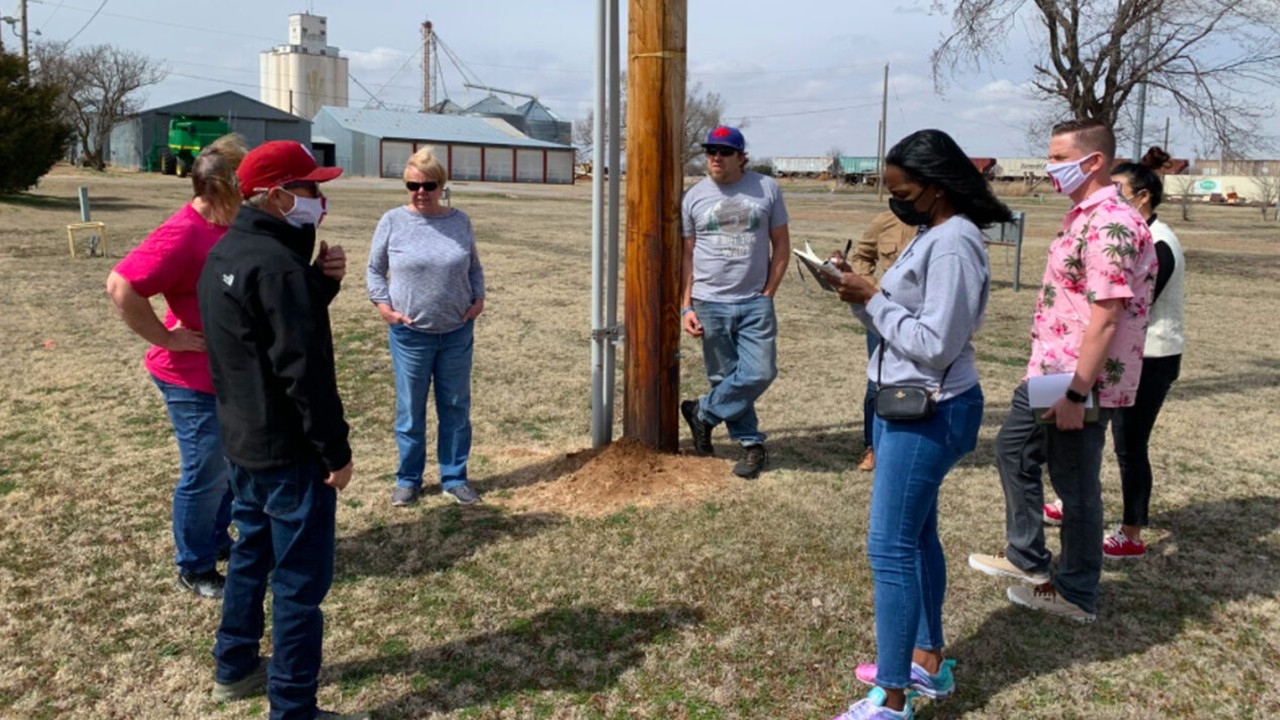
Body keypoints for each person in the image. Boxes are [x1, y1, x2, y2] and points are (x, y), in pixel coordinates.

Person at [825, 129, 1008, 720]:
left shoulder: (953, 243)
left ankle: (893, 697)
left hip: (930, 408)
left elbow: (934, 342)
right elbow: (902, 318)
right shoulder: (933, 233)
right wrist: (853, 290)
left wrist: (872, 297)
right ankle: (926, 662)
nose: (894, 200)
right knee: (917, 535)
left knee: (890, 547)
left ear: (934, 187)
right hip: (903, 401)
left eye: (901, 190)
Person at [197, 140, 366, 720]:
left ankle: (235, 664)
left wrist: (317, 285)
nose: (319, 201)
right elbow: (305, 373)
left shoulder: (230, 252)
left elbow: (260, 338)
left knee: (251, 554)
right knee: (298, 584)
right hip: (290, 454)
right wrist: (335, 452)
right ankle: (292, 707)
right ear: (275, 196)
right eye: (310, 189)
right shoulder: (277, 268)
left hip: (243, 442)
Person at [968, 119, 1157, 624]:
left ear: (1093, 161)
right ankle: (1027, 558)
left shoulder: (1110, 224)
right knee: (1013, 450)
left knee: (1074, 484)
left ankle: (1075, 591)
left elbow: (1108, 313)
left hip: (1076, 381)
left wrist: (1076, 394)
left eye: (1058, 157)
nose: (1049, 167)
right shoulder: (1083, 215)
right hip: (1050, 370)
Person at [106, 134, 247, 600]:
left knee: (228, 464)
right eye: (242, 189)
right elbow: (121, 286)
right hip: (189, 377)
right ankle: (194, 565)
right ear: (218, 191)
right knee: (205, 471)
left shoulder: (230, 225)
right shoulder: (183, 233)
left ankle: (213, 539)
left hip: (229, 374)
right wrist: (167, 338)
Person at [1044, 147, 1185, 560]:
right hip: (1116, 355)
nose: (1111, 197)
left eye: (1119, 190)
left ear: (1143, 196)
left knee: (1129, 444)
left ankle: (1131, 531)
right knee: (1090, 434)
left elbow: (1126, 307)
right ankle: (1074, 502)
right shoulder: (1121, 233)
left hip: (1151, 358)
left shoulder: (1158, 242)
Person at [367, 146, 486, 507]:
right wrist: (385, 307)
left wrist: (478, 299)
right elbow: (374, 269)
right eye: (412, 185)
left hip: (456, 332)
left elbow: (473, 267)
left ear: (442, 186)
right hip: (410, 336)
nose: (421, 192)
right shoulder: (392, 221)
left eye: (429, 185)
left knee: (455, 407)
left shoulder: (459, 221)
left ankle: (454, 476)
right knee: (410, 410)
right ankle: (408, 479)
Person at [679, 126, 791, 479]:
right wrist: (687, 305)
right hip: (709, 301)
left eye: (724, 151)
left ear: (741, 157)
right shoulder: (693, 197)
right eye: (710, 150)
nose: (715, 157)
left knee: (759, 372)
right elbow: (688, 256)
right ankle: (751, 445)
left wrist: (769, 292)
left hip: (754, 301)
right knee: (724, 376)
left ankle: (702, 413)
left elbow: (781, 246)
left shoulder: (766, 189)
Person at [849, 211, 918, 472]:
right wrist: (871, 290)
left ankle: (907, 444)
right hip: (883, 314)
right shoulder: (884, 221)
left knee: (919, 383)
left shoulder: (941, 224)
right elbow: (862, 256)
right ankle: (873, 447)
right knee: (877, 382)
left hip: (921, 316)